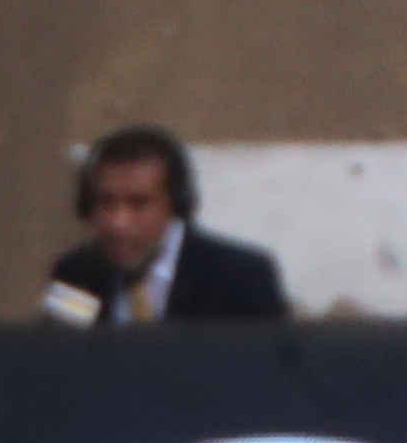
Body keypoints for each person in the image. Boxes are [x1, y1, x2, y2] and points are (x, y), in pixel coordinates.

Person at [41, 128, 287, 325]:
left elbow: (269, 367)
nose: (118, 223)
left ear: (176, 204)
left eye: (139, 204)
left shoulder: (240, 278)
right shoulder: (75, 275)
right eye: (106, 203)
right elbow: (59, 359)